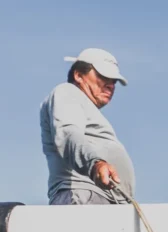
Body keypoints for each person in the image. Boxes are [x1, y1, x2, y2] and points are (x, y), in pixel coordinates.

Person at [39, 48, 135, 205]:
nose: (111, 85)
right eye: (104, 77)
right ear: (78, 75)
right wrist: (95, 163)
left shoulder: (83, 106)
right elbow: (69, 134)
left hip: (102, 200)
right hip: (83, 195)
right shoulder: (67, 92)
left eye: (114, 81)